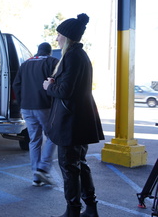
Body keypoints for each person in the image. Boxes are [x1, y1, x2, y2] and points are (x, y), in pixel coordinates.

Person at [43, 13, 104, 217]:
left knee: (69, 167)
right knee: (80, 164)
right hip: (80, 121)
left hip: (70, 123)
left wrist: (48, 86)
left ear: (67, 37)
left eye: (59, 35)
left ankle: (73, 211)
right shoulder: (80, 55)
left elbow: (65, 92)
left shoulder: (71, 56)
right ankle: (90, 208)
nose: (57, 39)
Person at [13, 42, 58, 187]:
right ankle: (43, 168)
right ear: (49, 52)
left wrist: (21, 104)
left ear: (37, 51)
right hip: (44, 106)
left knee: (34, 140)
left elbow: (16, 85)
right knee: (53, 136)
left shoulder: (25, 64)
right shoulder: (52, 62)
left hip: (26, 108)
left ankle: (36, 177)